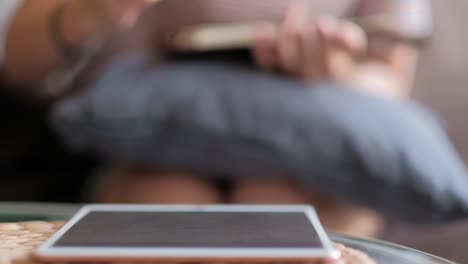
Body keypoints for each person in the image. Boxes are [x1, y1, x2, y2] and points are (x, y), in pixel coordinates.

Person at [1, 0, 432, 237]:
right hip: (148, 148)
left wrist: (336, 70)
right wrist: (94, 8)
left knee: (279, 203)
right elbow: (22, 67)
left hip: (318, 149)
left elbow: (391, 79)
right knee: (164, 200)